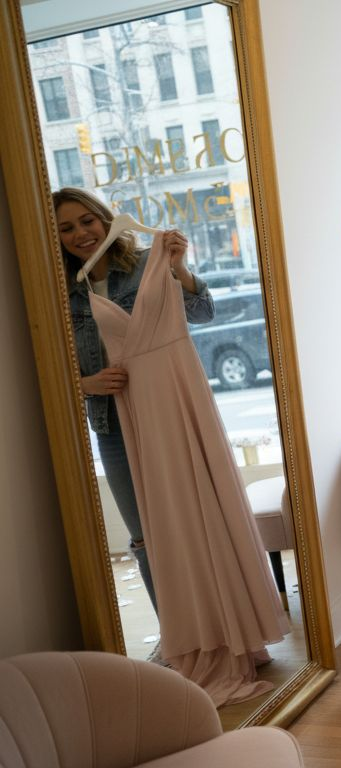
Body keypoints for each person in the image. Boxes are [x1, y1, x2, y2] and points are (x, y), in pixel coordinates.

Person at [53, 187, 213, 618]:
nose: (80, 233)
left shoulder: (147, 262)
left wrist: (179, 268)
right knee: (144, 535)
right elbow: (49, 363)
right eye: (66, 228)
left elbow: (202, 313)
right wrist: (84, 383)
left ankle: (216, 624)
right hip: (113, 424)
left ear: (104, 217)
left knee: (194, 519)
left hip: (172, 411)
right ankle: (176, 632)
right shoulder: (60, 289)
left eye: (86, 220)